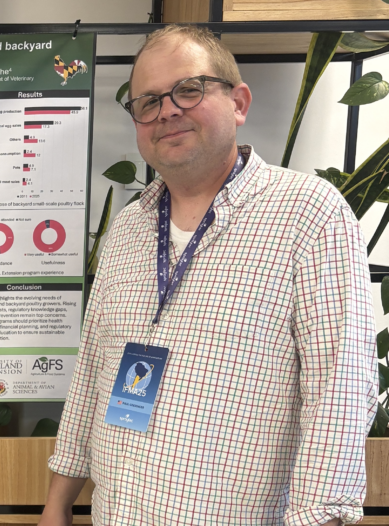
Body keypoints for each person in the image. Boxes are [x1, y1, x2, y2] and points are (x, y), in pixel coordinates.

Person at [38, 25, 377, 526]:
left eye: (189, 90)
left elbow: (340, 391)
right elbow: (93, 371)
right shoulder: (129, 227)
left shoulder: (310, 214)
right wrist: (57, 503)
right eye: (147, 101)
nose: (168, 110)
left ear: (238, 102)